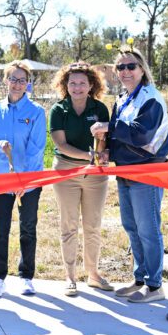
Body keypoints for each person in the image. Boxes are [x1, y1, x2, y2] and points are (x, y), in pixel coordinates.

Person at [91, 47, 168, 304]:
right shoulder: (123, 98)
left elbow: (141, 135)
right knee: (132, 227)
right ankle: (140, 279)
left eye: (131, 66)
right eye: (121, 67)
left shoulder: (151, 97)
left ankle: (155, 285)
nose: (126, 71)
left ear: (142, 68)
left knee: (148, 229)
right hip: (125, 171)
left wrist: (109, 126)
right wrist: (108, 152)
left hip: (147, 171)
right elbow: (118, 135)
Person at [0, 61, 46, 298]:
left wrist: (24, 180)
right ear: (5, 81)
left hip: (29, 181)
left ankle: (27, 276)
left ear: (28, 84)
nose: (17, 84)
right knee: (0, 228)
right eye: (13, 79)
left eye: (22, 80)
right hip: (1, 180)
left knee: (28, 228)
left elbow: (37, 148)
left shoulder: (37, 112)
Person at [49, 62, 112, 297]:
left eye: (82, 83)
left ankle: (93, 274)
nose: (77, 87)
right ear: (65, 84)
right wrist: (89, 155)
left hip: (94, 174)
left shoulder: (100, 109)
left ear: (91, 85)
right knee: (69, 225)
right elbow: (61, 144)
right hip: (66, 171)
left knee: (93, 225)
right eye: (72, 83)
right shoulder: (58, 109)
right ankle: (70, 276)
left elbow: (104, 142)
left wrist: (102, 153)